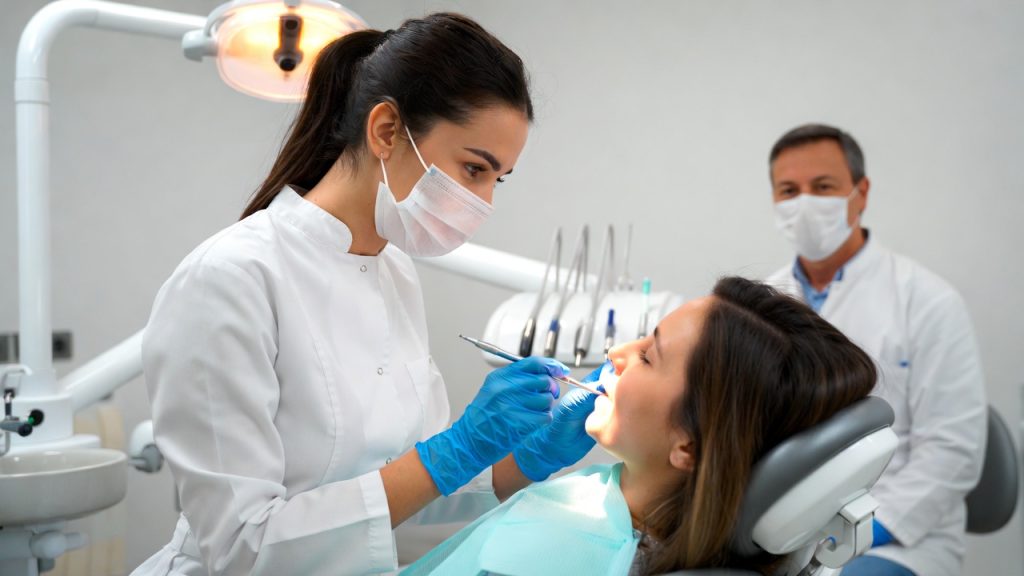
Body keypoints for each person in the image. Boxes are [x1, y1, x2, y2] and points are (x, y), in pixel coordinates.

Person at [132, 13, 597, 576]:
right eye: (473, 168)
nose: (483, 203)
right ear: (385, 131)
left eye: (496, 179)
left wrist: (521, 460)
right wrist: (458, 447)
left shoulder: (394, 272)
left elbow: (409, 487)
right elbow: (240, 548)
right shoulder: (230, 279)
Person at [401, 276, 879, 575]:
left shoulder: (568, 547)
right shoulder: (632, 524)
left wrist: (464, 452)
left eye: (648, 356)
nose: (615, 354)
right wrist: (520, 464)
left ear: (688, 446)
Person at [765, 124, 987, 576]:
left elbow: (953, 449)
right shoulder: (762, 305)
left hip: (899, 537)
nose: (804, 203)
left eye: (822, 187)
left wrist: (860, 529)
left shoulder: (926, 301)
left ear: (860, 194)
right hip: (780, 533)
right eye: (789, 190)